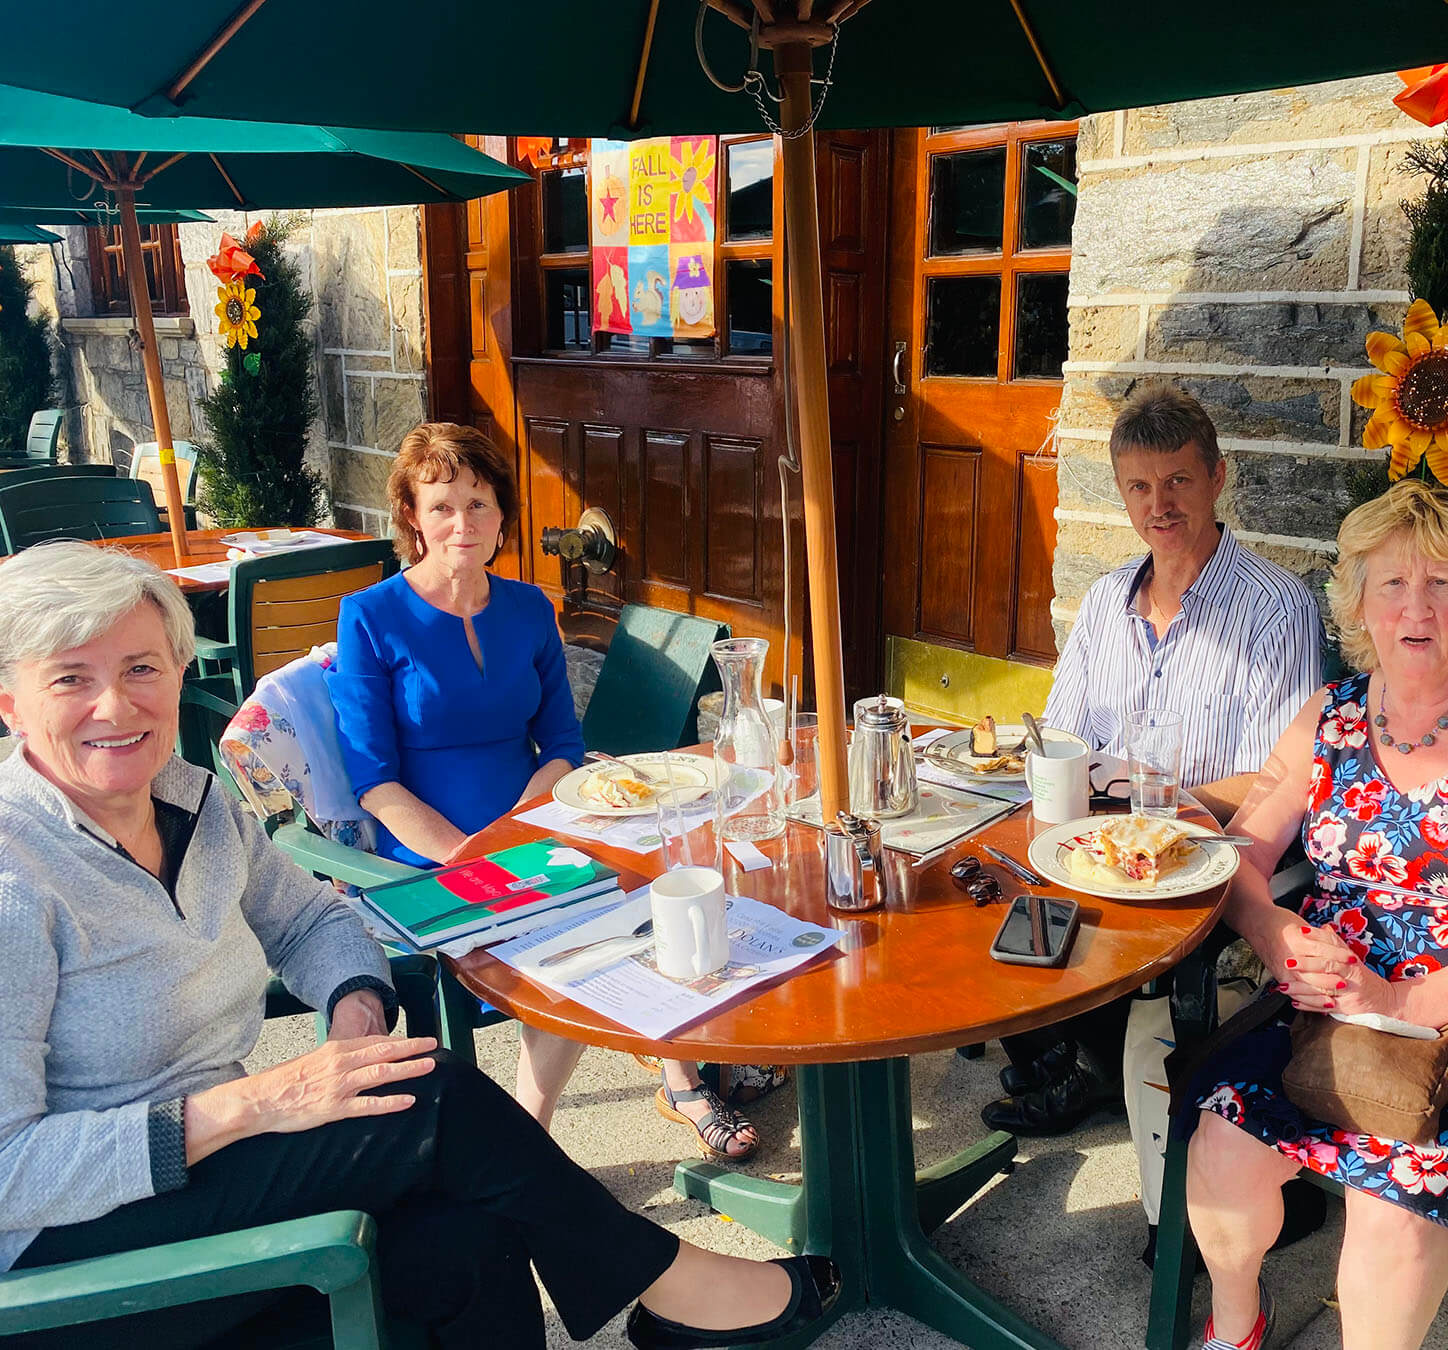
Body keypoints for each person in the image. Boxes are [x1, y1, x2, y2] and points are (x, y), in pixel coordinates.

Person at [0, 540, 839, 1350]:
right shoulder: (15, 869)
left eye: (141, 668)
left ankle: (671, 1294)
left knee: (471, 1231)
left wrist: (353, 1014)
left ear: (178, 673)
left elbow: (313, 922)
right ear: (12, 704)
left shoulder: (193, 801)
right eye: (72, 678)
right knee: (440, 1095)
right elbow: (9, 1172)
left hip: (211, 1169)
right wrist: (257, 1105)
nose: (115, 706)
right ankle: (673, 1285)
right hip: (71, 1255)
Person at [1175, 480, 1448, 1350]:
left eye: (1441, 583)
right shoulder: (1327, 719)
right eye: (1392, 584)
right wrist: (1278, 934)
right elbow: (1241, 858)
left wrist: (1398, 1004)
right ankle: (1237, 1329)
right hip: (1325, 1004)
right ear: (1357, 602)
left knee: (1388, 1212)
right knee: (1219, 1152)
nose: (1416, 607)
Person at [327, 422, 760, 1159]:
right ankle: (535, 1143)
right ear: (412, 517)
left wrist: (530, 823)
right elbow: (374, 781)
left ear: (502, 517)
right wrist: (479, 855)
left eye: (480, 504)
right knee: (567, 934)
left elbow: (561, 741)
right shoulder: (371, 617)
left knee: (670, 878)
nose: (463, 523)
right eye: (442, 506)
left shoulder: (528, 608)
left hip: (537, 817)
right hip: (432, 844)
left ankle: (674, 1070)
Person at [985, 385, 1322, 1137]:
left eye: (1178, 481)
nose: (1158, 505)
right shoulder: (1106, 602)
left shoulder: (1276, 608)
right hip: (1093, 842)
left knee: (1063, 909)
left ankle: (1086, 1066)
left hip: (1193, 857)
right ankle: (1074, 1057)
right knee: (982, 881)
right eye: (1140, 486)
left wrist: (1151, 813)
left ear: (1217, 478)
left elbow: (1280, 783)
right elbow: (1060, 741)